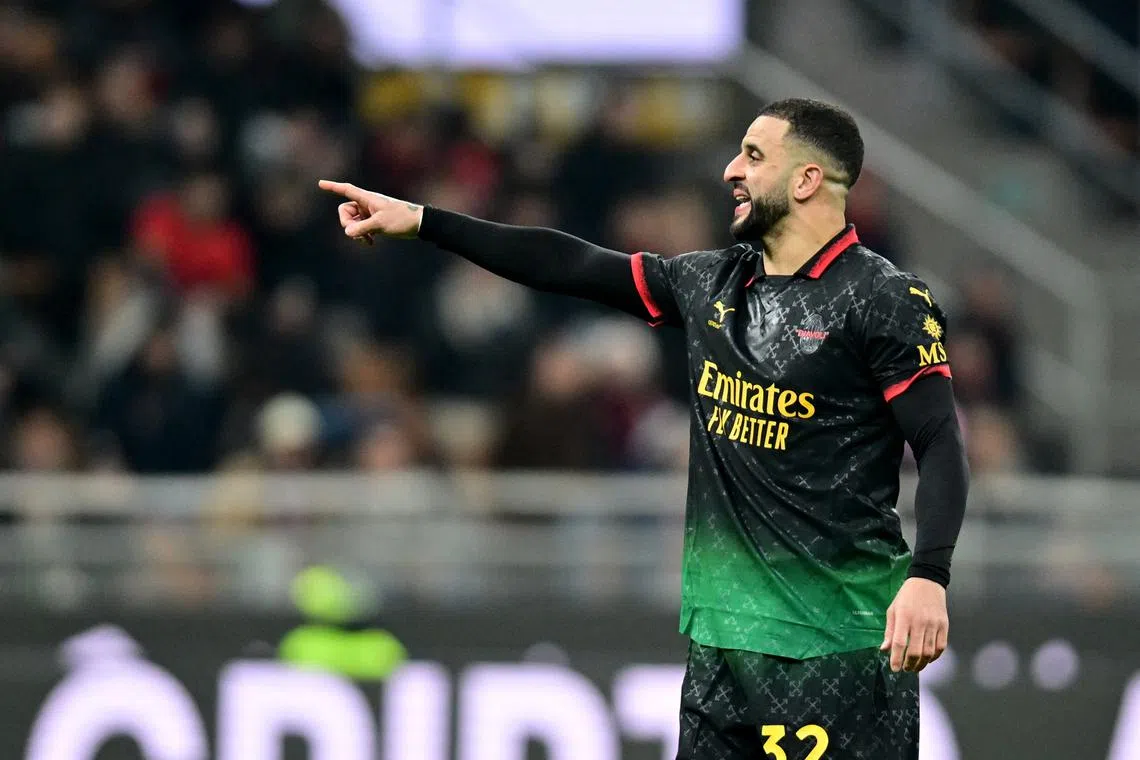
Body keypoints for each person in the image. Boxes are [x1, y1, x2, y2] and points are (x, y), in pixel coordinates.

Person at [319, 98, 969, 760]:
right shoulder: (712, 285)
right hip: (722, 649)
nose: (729, 171)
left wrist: (929, 577)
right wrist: (425, 222)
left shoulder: (883, 300)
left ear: (806, 180)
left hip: (835, 649)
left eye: (752, 155)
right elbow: (570, 264)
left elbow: (940, 443)